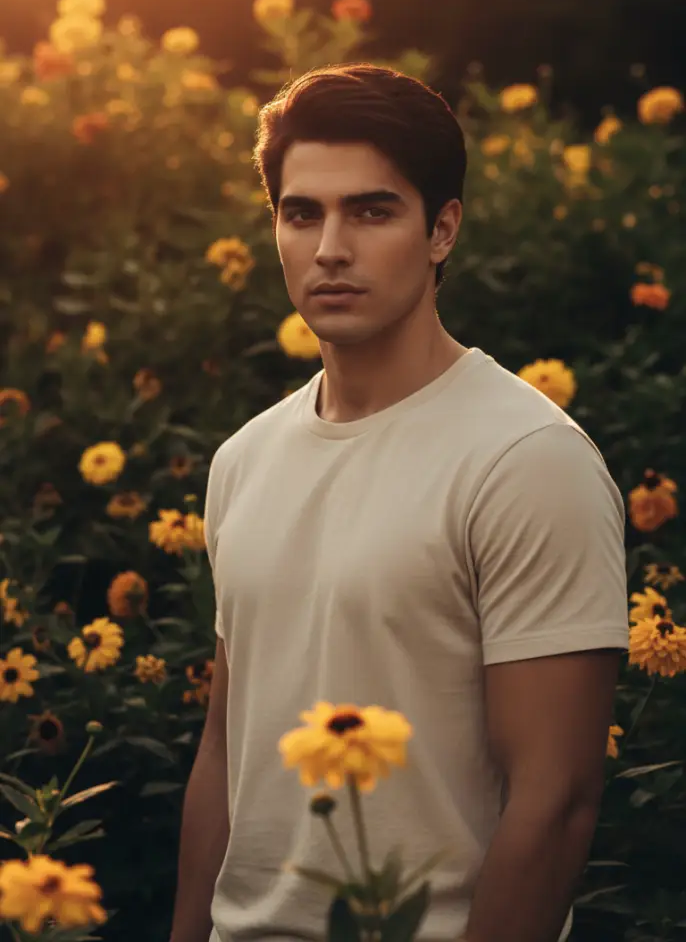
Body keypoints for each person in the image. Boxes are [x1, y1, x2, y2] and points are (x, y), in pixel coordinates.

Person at [169, 63, 629, 942]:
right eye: (301, 213)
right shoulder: (244, 459)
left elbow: (558, 801)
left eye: (371, 211)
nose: (329, 247)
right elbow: (225, 752)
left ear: (442, 229)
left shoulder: (526, 460)